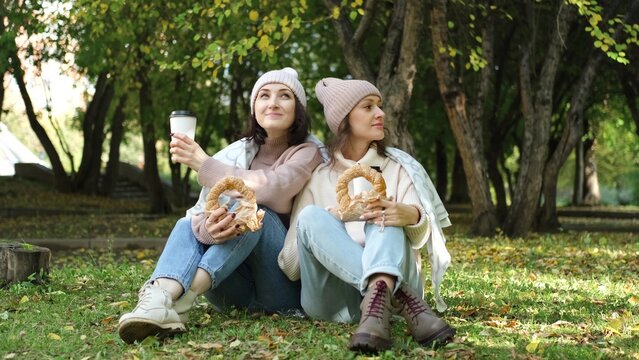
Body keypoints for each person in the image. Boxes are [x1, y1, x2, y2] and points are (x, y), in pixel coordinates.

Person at [118, 67, 324, 344]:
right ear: (254, 108)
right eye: (264, 95)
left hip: (282, 291)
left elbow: (274, 189)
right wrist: (209, 231)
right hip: (232, 291)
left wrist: (204, 165)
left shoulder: (308, 152)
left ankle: (182, 302)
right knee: (186, 223)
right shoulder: (239, 153)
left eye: (284, 96)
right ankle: (157, 299)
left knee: (255, 212)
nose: (273, 102)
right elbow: (204, 218)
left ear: (298, 109)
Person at [277, 78, 455, 353]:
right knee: (311, 217)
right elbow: (291, 269)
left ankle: (380, 297)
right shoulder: (319, 178)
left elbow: (420, 240)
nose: (381, 114)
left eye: (380, 106)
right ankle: (399, 294)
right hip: (333, 302)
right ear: (344, 119)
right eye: (368, 107)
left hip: (392, 283)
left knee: (384, 214)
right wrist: (328, 228)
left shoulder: (398, 167)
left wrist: (408, 214)